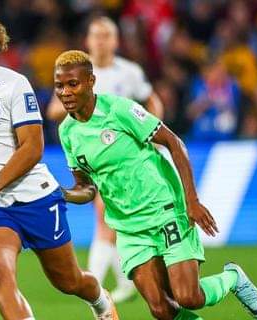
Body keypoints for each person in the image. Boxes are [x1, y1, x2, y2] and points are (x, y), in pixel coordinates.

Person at [0, 17, 118, 320]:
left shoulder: (13, 85)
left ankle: (100, 301)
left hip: (34, 197)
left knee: (68, 281)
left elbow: (32, 147)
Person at [55, 50, 257, 320]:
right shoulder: (67, 132)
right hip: (128, 227)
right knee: (161, 310)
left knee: (188, 296)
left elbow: (174, 143)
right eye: (59, 85)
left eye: (73, 84)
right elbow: (87, 187)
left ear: (91, 81)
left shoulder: (119, 109)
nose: (66, 92)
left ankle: (232, 277)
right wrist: (63, 193)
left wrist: (192, 201)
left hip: (164, 209)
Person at [46, 16, 164, 303]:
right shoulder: (74, 74)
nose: (100, 41)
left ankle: (105, 285)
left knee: (114, 221)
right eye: (95, 35)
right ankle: (105, 285)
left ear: (115, 40)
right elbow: (52, 112)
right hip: (95, 158)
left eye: (106, 35)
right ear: (88, 40)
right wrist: (80, 107)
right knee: (106, 220)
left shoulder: (129, 72)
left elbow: (152, 100)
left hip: (127, 158)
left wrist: (152, 127)